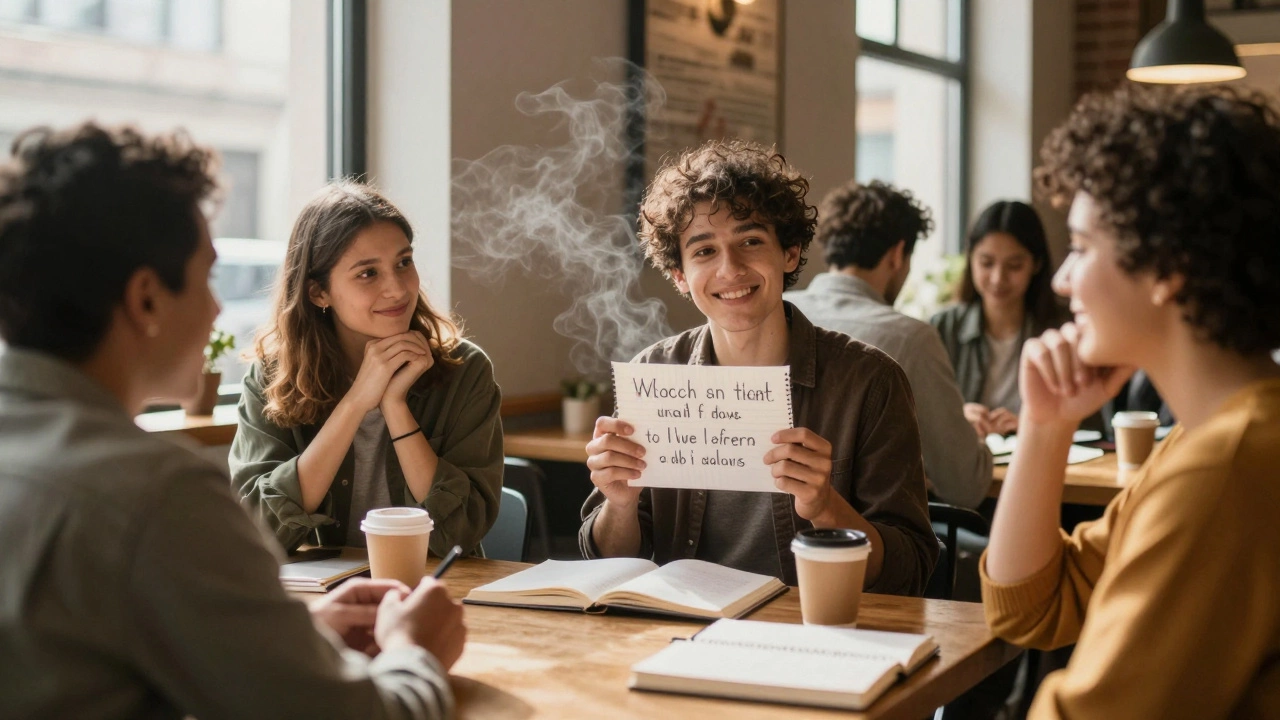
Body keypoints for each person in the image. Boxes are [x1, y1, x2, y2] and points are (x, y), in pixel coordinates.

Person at [0, 122, 464, 718]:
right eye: (207, 277)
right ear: (146, 300)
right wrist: (415, 652)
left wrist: (280, 630)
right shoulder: (157, 495)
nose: (220, 308)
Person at [982, 84, 1280, 718]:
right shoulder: (1207, 442)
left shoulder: (1223, 468)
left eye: (1083, 248)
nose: (1062, 279)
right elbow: (1030, 607)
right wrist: (1046, 424)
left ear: (1168, 266)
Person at [578, 139, 937, 595]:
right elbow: (608, 561)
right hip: (682, 630)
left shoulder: (870, 382)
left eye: (750, 241)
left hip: (814, 633)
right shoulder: (655, 374)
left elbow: (910, 569)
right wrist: (621, 503)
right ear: (680, 277)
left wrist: (824, 505)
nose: (730, 269)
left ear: (789, 254)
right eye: (704, 251)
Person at [230, 181, 503, 555]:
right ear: (318, 293)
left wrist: (395, 406)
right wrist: (356, 401)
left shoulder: (465, 370)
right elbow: (260, 531)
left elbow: (459, 533)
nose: (398, 289)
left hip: (435, 593)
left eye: (404, 262)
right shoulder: (272, 377)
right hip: (322, 602)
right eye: (367, 273)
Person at [786, 180, 993, 509]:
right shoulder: (910, 338)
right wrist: (975, 436)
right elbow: (965, 486)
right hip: (869, 542)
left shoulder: (776, 313)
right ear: (897, 254)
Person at [931, 200, 1067, 438]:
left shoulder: (1062, 330)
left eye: (1014, 265)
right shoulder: (942, 328)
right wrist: (955, 417)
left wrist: (1032, 424)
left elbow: (1090, 423)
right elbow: (919, 415)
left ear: (1036, 264)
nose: (998, 278)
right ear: (970, 259)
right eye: (986, 263)